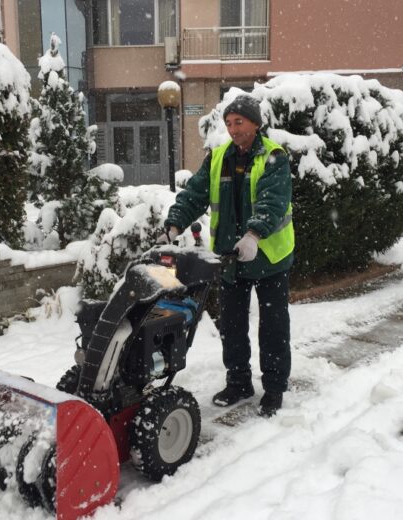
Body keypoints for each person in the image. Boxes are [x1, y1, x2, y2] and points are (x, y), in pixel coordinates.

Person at [158, 94, 294, 417]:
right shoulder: (219, 158)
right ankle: (239, 382)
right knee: (232, 325)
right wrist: (173, 226)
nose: (233, 129)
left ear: (255, 124)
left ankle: (274, 388)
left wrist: (254, 233)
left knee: (273, 326)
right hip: (230, 258)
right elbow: (195, 194)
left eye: (240, 122)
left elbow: (272, 201)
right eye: (230, 123)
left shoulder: (274, 157)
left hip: (269, 257)